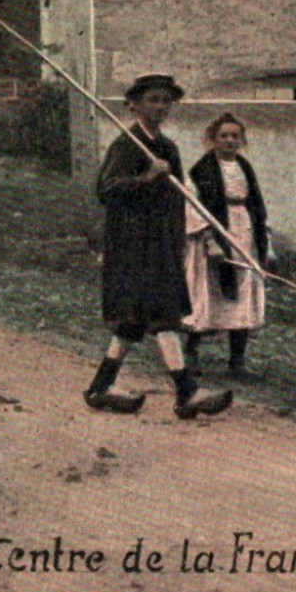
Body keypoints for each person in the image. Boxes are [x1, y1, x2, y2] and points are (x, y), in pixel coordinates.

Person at [85, 73, 233, 420]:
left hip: (163, 244)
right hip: (133, 246)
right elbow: (105, 191)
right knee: (163, 317)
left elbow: (180, 198)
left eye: (166, 101)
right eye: (153, 100)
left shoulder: (169, 149)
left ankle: (100, 387)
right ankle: (187, 392)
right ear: (134, 105)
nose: (160, 107)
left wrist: (202, 237)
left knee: (133, 323)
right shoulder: (127, 145)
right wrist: (145, 178)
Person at [183, 112, 269, 380]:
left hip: (243, 233)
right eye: (224, 136)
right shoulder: (203, 170)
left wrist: (264, 244)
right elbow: (193, 207)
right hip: (215, 239)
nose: (230, 141)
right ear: (212, 139)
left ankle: (237, 362)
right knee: (208, 295)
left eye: (235, 136)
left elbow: (256, 205)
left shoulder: (244, 166)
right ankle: (191, 356)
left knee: (243, 296)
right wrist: (210, 241)